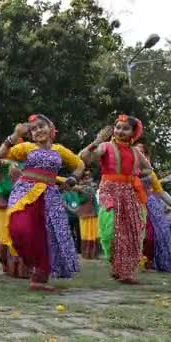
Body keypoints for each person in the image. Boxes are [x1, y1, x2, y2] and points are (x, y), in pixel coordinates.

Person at [0, 114, 84, 291]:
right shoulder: (27, 147)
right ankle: (32, 264)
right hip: (26, 193)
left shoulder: (59, 150)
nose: (38, 131)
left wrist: (72, 180)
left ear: (51, 128)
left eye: (41, 126)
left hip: (50, 196)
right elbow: (1, 154)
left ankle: (40, 277)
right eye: (33, 129)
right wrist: (14, 135)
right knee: (19, 228)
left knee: (47, 235)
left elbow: (80, 164)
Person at [79, 114, 152, 284]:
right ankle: (116, 264)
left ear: (133, 133)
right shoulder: (105, 146)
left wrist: (135, 176)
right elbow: (84, 158)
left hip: (130, 192)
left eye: (125, 128)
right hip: (109, 190)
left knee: (132, 232)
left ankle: (126, 272)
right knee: (110, 229)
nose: (120, 131)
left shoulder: (135, 152)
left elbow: (148, 169)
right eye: (118, 127)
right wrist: (95, 142)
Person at [0, 157, 31, 278]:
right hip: (3, 207)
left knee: (19, 237)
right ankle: (8, 267)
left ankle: (22, 269)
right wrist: (8, 162)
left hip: (19, 206)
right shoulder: (1, 163)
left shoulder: (25, 164)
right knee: (4, 239)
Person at [135, 142, 171, 272]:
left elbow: (160, 192)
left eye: (142, 153)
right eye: (136, 152)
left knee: (153, 235)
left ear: (146, 155)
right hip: (133, 205)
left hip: (151, 205)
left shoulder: (151, 174)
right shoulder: (126, 171)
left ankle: (150, 261)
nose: (139, 155)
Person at [74, 170, 100, 259]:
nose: (88, 179)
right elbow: (80, 200)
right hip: (85, 214)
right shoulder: (80, 189)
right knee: (86, 234)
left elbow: (95, 202)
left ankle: (93, 254)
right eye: (86, 177)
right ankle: (87, 254)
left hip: (93, 214)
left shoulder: (91, 188)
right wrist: (86, 190)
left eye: (89, 177)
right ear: (82, 180)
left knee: (94, 234)